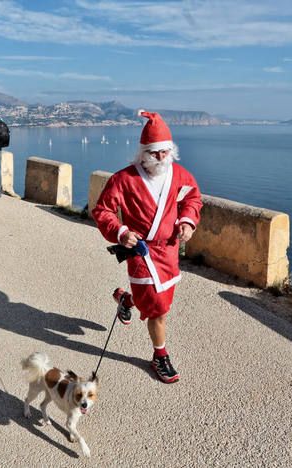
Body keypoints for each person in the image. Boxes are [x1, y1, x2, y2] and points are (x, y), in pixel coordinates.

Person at [91, 110, 203, 384]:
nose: (161, 158)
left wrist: (187, 222)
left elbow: (193, 199)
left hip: (168, 249)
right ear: (144, 152)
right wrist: (120, 231)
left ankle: (125, 299)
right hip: (140, 250)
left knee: (157, 300)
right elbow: (103, 210)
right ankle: (159, 355)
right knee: (158, 309)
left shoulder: (180, 175)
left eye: (165, 151)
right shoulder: (124, 179)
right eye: (155, 152)